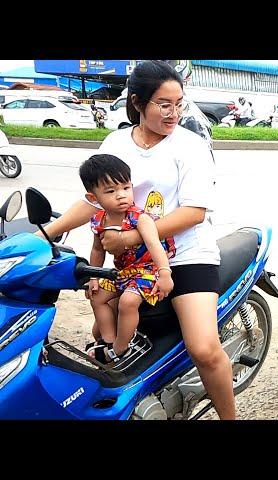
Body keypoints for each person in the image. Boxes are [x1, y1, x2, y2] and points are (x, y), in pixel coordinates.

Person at [42, 60, 235, 420]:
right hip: (131, 263)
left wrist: (131, 236)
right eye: (164, 104)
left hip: (187, 256)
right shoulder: (116, 142)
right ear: (137, 102)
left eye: (180, 103)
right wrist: (44, 234)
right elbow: (92, 199)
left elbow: (194, 211)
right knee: (100, 332)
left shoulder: (190, 146)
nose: (174, 112)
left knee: (204, 348)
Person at [80, 154, 175, 363]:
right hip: (123, 273)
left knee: (128, 301)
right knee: (96, 296)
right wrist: (93, 277)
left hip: (148, 270)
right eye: (111, 191)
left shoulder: (140, 218)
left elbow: (154, 245)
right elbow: (98, 250)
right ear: (93, 198)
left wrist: (164, 273)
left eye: (126, 188)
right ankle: (108, 340)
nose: (121, 195)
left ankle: (122, 348)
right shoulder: (98, 221)